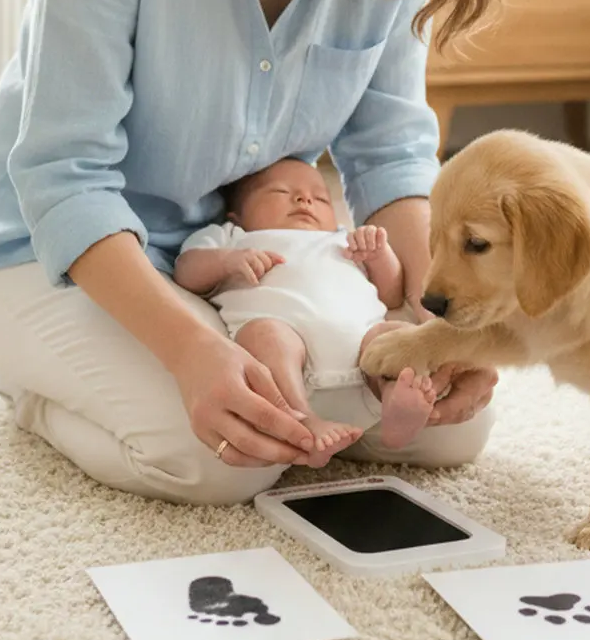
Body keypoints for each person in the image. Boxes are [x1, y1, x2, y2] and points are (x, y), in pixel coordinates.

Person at [0, 0, 507, 506]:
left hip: (243, 261)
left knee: (454, 429)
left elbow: (389, 155)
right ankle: (34, 390)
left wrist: (440, 324)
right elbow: (66, 177)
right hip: (54, 253)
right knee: (219, 462)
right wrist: (189, 349)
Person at [174, 157, 442, 468]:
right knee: (267, 335)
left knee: (396, 336)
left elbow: (392, 295)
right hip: (284, 373)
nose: (305, 199)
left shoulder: (343, 239)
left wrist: (380, 256)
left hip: (364, 360)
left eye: (321, 197)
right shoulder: (232, 237)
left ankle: (396, 401)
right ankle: (303, 419)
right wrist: (226, 261)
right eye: (280, 191)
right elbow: (186, 271)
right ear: (237, 215)